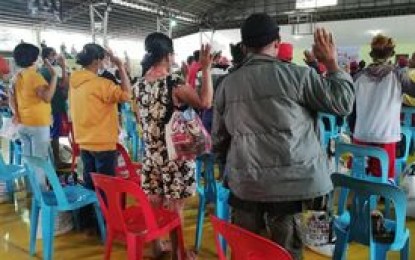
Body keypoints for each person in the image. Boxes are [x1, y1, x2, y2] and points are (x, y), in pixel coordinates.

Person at [212, 13, 355, 259]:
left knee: (247, 251)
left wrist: (229, 167)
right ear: (277, 43)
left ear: (244, 47)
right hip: (291, 186)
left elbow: (219, 138)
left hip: (246, 186)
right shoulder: (299, 76)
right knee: (286, 251)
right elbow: (343, 104)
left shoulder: (227, 84)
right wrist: (331, 64)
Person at [134, 32, 213, 259]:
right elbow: (205, 102)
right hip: (175, 156)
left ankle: (158, 246)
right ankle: (179, 254)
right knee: (175, 207)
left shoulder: (139, 84)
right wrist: (205, 69)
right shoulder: (172, 83)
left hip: (151, 155)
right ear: (168, 56)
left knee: (155, 201)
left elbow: (145, 117)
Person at [353, 35, 415, 183]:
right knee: (384, 177)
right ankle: (382, 198)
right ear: (392, 54)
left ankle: (362, 198)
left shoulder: (358, 76)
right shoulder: (398, 75)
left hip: (361, 133)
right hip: (386, 134)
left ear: (371, 54)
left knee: (361, 175)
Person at [70, 43, 131, 190]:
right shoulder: (101, 84)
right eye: (103, 59)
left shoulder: (74, 80)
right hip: (103, 142)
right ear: (97, 61)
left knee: (90, 183)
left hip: (84, 141)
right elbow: (127, 95)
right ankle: (105, 213)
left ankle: (92, 212)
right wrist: (121, 67)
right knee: (106, 187)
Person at [10, 43, 57, 187]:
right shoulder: (35, 77)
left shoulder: (17, 76)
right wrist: (54, 76)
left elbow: (12, 99)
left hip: (23, 124)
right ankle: (42, 195)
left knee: (29, 159)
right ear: (34, 59)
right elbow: (47, 97)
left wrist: (16, 114)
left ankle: (34, 190)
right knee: (40, 161)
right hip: (38, 124)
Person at [40, 46, 71, 170]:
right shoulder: (48, 72)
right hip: (54, 107)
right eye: (53, 55)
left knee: (54, 135)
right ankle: (56, 161)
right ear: (47, 57)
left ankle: (54, 160)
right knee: (54, 135)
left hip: (52, 107)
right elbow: (64, 84)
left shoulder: (43, 71)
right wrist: (63, 66)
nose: (56, 57)